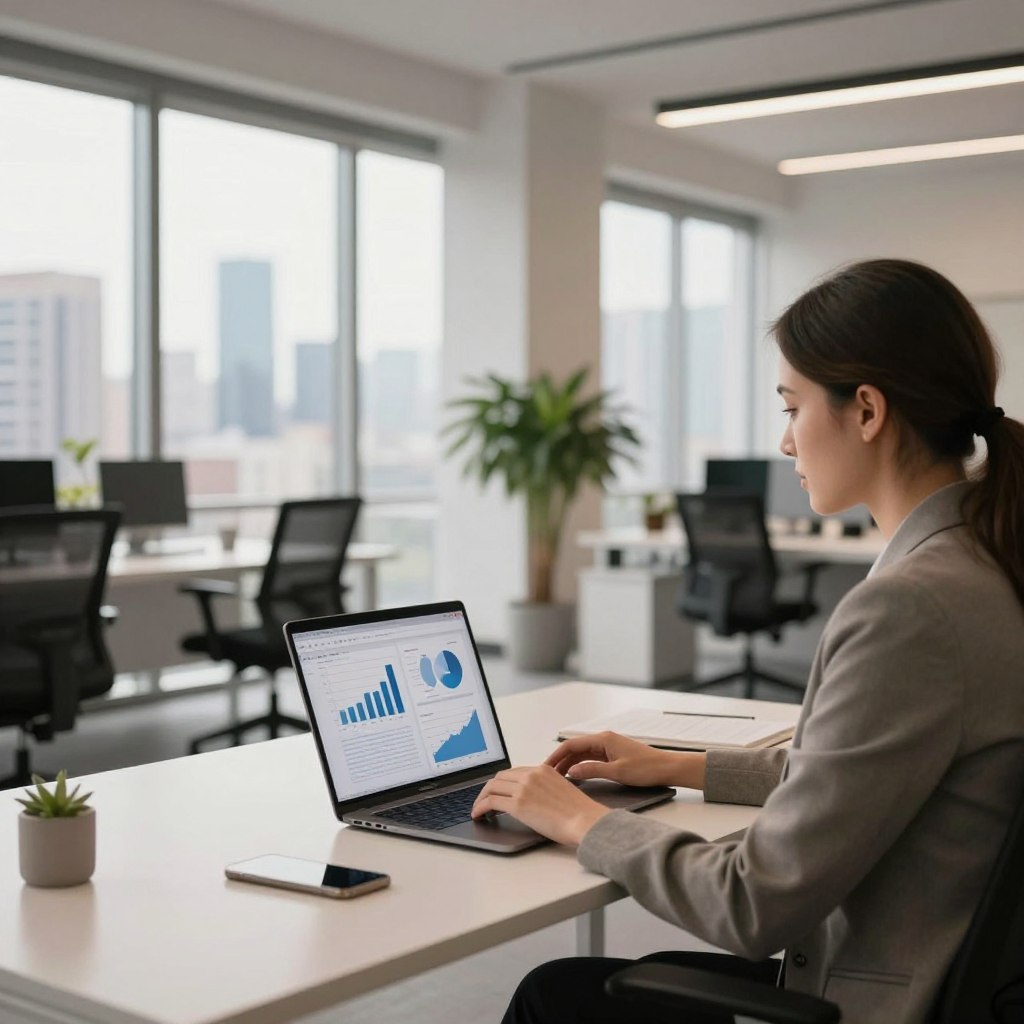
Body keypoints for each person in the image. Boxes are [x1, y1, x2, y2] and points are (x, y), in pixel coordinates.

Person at [471, 259, 1024, 1024]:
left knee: (553, 997)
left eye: (794, 407)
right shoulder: (990, 559)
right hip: (958, 982)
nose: (787, 441)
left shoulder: (910, 609)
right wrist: (671, 764)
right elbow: (860, 776)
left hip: (876, 996)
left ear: (867, 411)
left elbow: (753, 906)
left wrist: (581, 820)